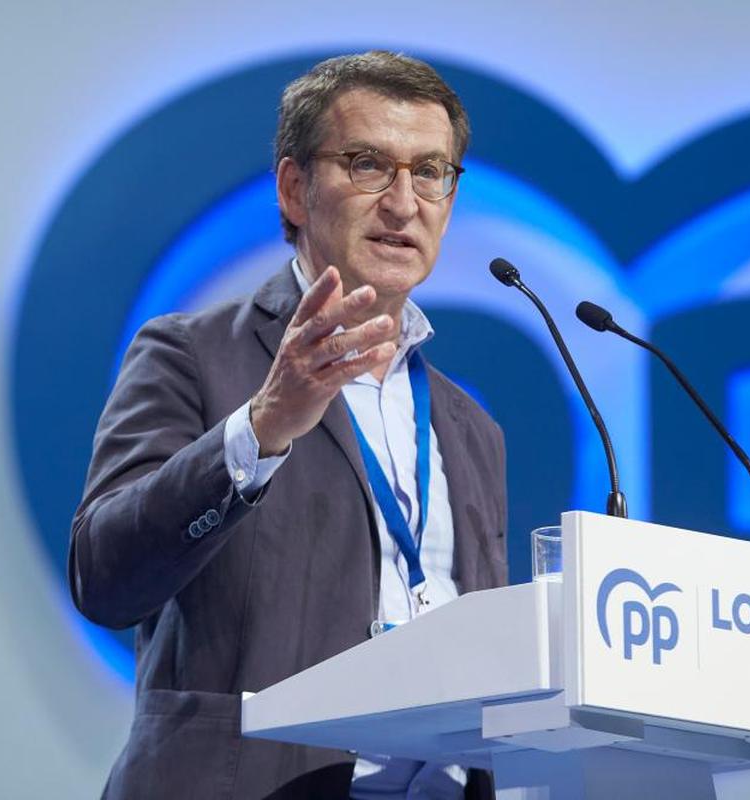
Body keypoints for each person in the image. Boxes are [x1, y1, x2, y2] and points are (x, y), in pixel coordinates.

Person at [70, 52, 507, 800]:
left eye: (431, 171)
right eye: (368, 164)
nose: (404, 203)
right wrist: (264, 427)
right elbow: (106, 577)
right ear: (295, 189)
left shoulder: (472, 430)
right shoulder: (192, 356)